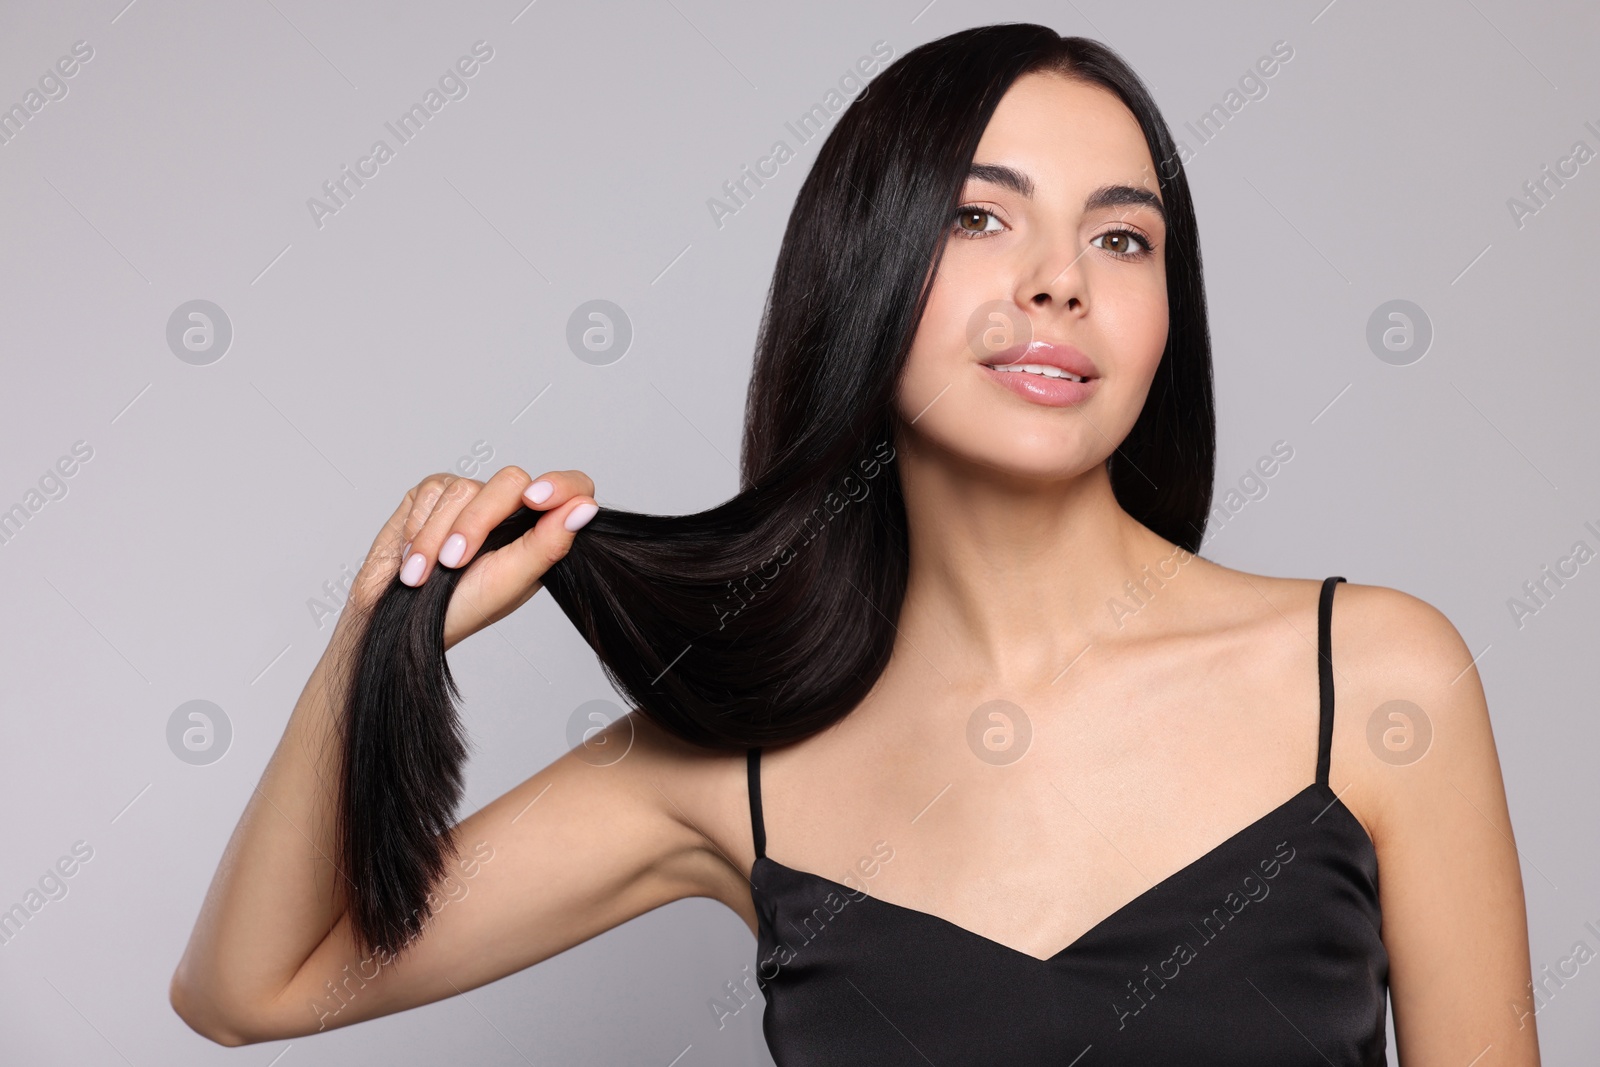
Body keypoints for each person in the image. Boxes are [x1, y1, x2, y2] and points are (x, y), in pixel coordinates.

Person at [169, 24, 1539, 1065]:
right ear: (866, 275)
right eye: (978, 216)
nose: (1061, 277)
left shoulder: (1375, 679)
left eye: (1124, 239)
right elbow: (252, 986)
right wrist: (375, 632)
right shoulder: (730, 766)